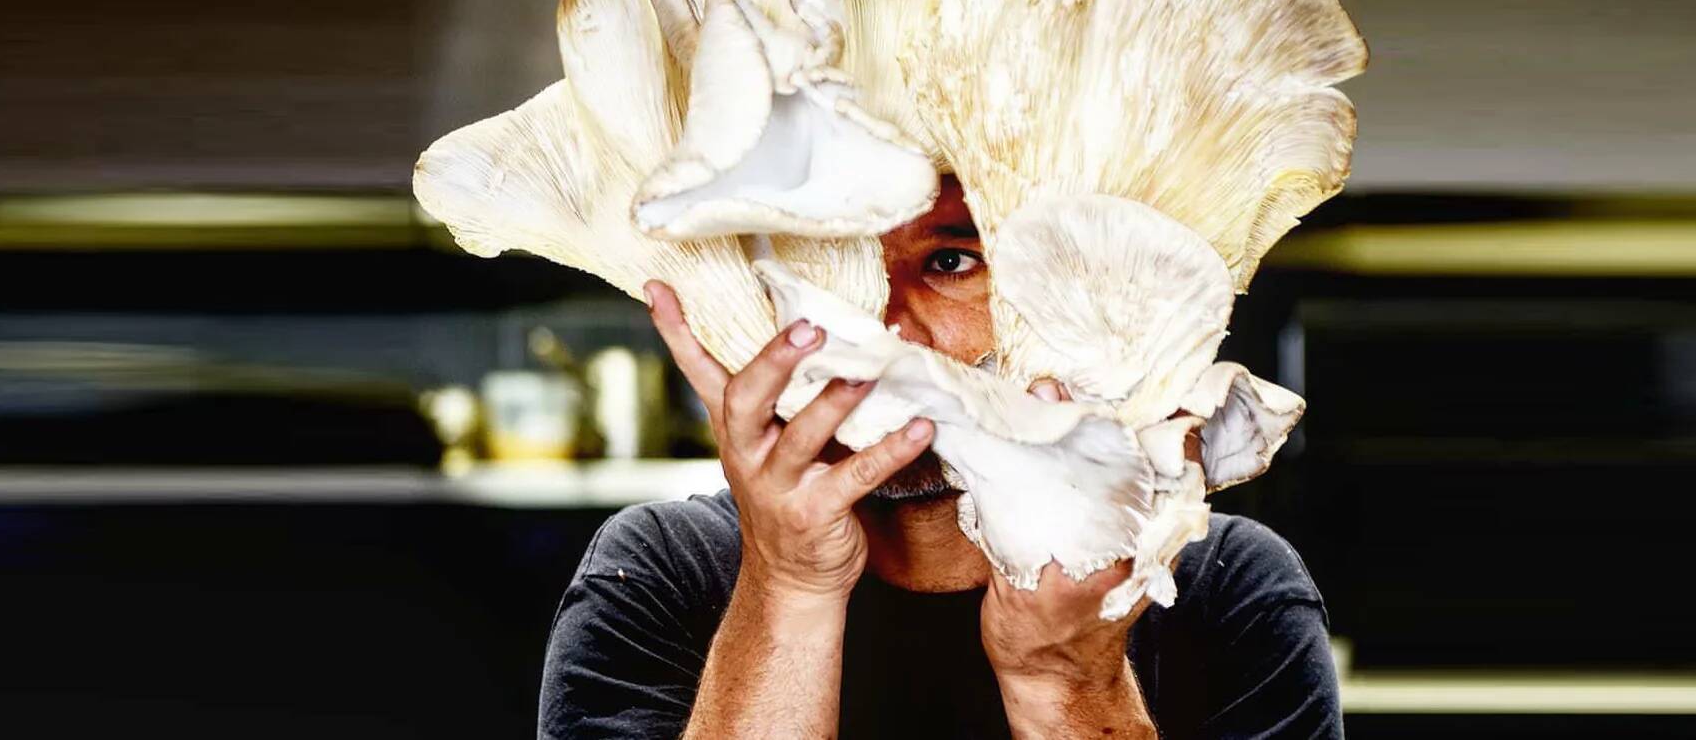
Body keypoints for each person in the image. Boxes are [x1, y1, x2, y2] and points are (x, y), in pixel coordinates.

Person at [539, 175, 1342, 739]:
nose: (888, 329)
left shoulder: (1231, 588)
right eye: (831, 270)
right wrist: (788, 586)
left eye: (950, 261)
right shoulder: (658, 569)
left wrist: (1065, 677)